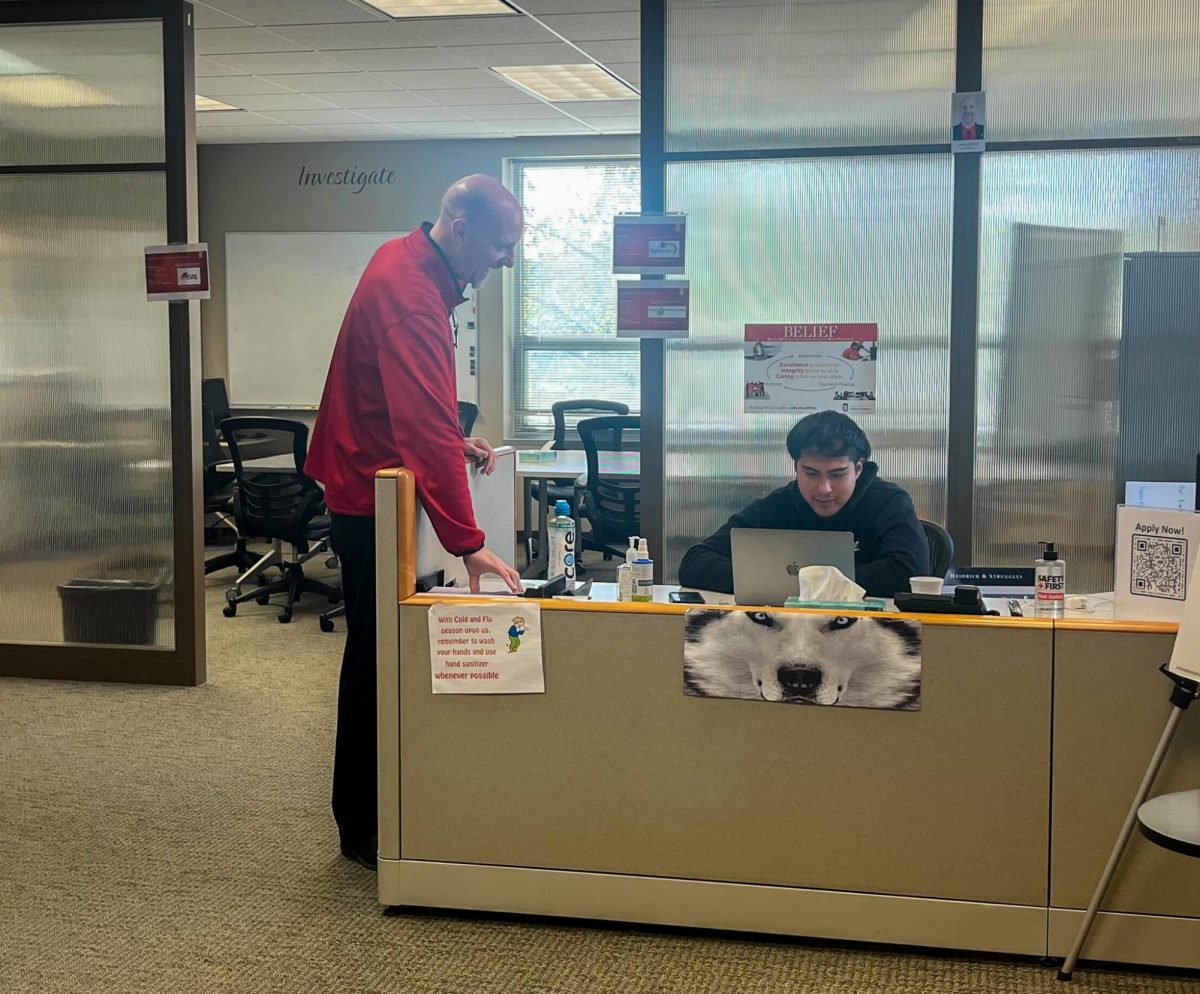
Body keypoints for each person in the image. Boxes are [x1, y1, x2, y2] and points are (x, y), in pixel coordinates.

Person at [305, 174, 524, 871]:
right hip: (369, 501)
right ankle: (361, 828)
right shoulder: (412, 297)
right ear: (458, 226)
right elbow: (425, 427)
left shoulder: (405, 258)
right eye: (499, 246)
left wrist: (449, 445)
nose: (505, 262)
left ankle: (377, 809)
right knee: (374, 659)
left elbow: (402, 404)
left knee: (379, 652)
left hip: (368, 477)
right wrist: (471, 545)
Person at [677, 411, 929, 598]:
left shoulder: (889, 502)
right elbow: (694, 562)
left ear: (858, 469)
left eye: (837, 474)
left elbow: (909, 574)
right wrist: (783, 583)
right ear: (796, 468)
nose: (824, 488)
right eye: (810, 473)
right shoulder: (778, 506)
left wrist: (804, 581)